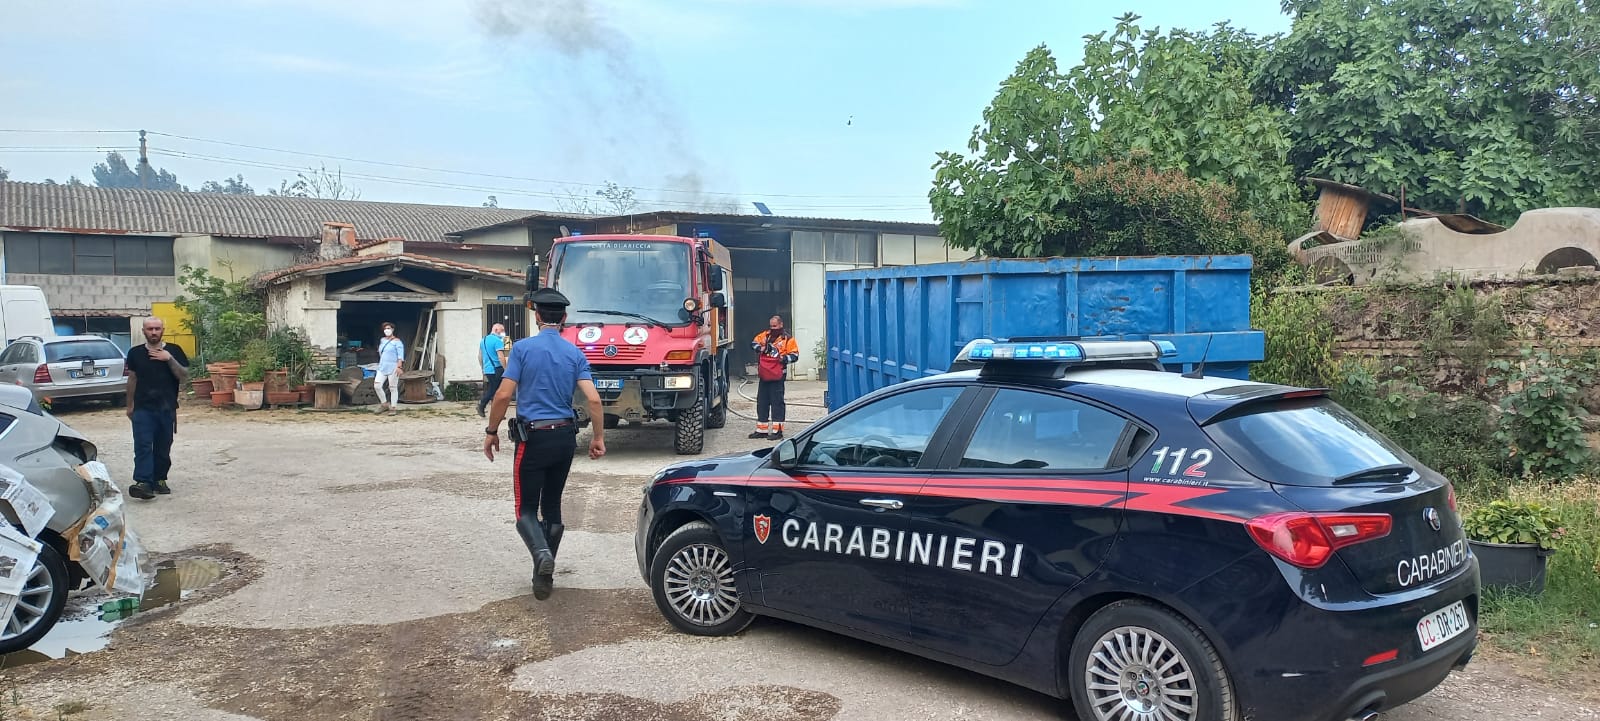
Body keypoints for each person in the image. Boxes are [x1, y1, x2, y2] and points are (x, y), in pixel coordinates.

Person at [483, 288, 606, 600]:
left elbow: (502, 394)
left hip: (533, 438)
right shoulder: (575, 353)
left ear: (536, 316)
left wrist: (491, 430)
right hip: (565, 437)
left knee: (525, 509)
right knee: (552, 506)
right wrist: (599, 438)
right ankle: (542, 579)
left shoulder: (522, 350)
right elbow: (592, 398)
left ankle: (541, 555)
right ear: (563, 318)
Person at [125, 317, 189, 500]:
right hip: (142, 408)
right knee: (143, 446)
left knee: (163, 446)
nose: (154, 332)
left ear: (163, 330)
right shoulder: (135, 353)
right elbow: (132, 379)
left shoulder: (174, 351)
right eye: (150, 329)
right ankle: (143, 482)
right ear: (143, 331)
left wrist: (168, 359)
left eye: (157, 329)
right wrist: (130, 405)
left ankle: (160, 479)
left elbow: (183, 376)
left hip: (166, 408)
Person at [750, 315, 799, 441]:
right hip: (765, 375)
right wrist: (761, 348)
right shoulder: (765, 336)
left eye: (775, 326)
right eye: (771, 326)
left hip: (778, 376)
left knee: (777, 403)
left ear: (781, 325)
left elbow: (795, 355)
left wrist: (783, 359)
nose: (772, 328)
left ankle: (778, 431)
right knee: (762, 402)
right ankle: (762, 430)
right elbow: (754, 343)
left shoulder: (788, 339)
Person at [477, 323, 507, 417]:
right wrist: (506, 369)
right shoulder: (498, 341)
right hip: (497, 369)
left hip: (488, 369)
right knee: (495, 390)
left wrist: (483, 367)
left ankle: (497, 413)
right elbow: (501, 357)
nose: (503, 333)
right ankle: (482, 405)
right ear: (496, 329)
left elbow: (480, 356)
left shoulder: (483, 340)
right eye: (502, 330)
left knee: (495, 390)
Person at [375, 322, 404, 414]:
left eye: (388, 328)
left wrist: (399, 366)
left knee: (393, 387)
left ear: (392, 329)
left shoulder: (397, 342)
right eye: (385, 329)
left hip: (393, 367)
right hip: (382, 366)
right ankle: (384, 404)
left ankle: (393, 407)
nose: (386, 330)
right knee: (377, 386)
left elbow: (400, 356)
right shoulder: (382, 340)